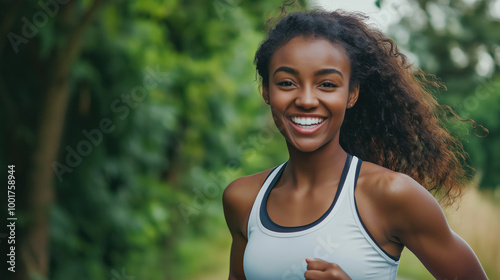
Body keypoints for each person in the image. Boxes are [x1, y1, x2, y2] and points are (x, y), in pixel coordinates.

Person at [222, 7, 488, 280]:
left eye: (327, 84)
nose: (306, 100)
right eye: (287, 83)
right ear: (266, 91)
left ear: (352, 94)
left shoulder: (393, 194)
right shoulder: (243, 199)